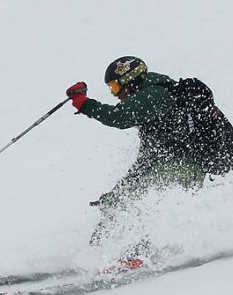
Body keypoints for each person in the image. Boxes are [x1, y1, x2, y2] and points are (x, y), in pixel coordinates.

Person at [66, 56, 206, 249]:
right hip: (171, 167)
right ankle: (97, 253)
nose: (115, 95)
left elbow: (118, 117)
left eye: (115, 87)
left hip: (183, 167)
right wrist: (123, 187)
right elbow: (149, 158)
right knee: (117, 201)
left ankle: (142, 252)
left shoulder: (155, 95)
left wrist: (84, 103)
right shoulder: (151, 100)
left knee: (138, 202)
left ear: (128, 80)